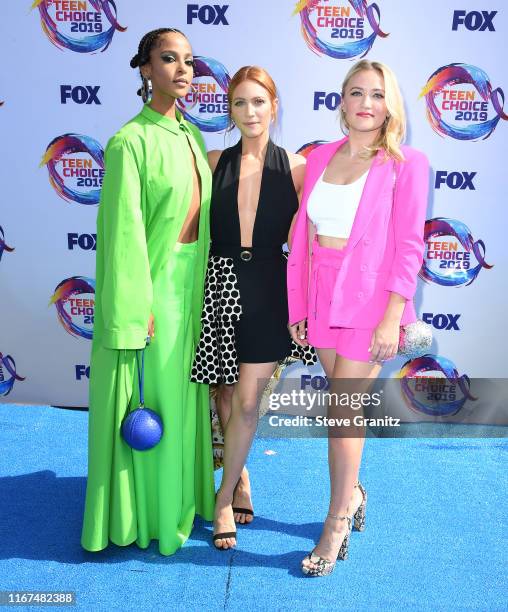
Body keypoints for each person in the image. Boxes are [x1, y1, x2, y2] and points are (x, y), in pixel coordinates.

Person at [287, 60, 429, 576]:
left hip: (371, 302)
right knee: (342, 408)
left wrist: (393, 315)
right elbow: (301, 237)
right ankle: (354, 490)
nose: (365, 103)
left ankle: (335, 520)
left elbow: (410, 245)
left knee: (341, 412)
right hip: (322, 293)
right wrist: (298, 306)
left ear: (389, 103)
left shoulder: (407, 163)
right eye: (355, 93)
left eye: (376, 94)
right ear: (341, 101)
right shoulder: (319, 156)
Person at [81, 28, 215, 556]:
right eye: (168, 59)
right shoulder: (127, 142)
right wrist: (137, 311)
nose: (182, 69)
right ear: (145, 70)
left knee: (182, 406)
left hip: (194, 289)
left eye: (188, 60)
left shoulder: (192, 136)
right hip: (155, 294)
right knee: (153, 405)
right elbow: (123, 238)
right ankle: (150, 518)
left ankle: (180, 499)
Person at [190, 66, 307, 549]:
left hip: (268, 287)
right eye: (239, 103)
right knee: (222, 394)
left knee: (246, 400)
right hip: (218, 284)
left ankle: (221, 501)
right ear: (229, 109)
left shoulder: (297, 168)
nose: (250, 111)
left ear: (273, 106)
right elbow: (186, 233)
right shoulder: (214, 159)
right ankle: (237, 477)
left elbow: (306, 246)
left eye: (258, 102)